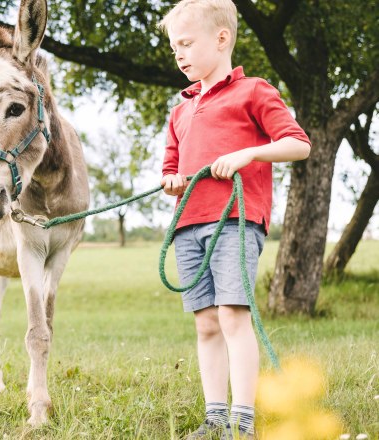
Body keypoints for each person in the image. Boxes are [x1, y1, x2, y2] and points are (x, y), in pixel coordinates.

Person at [157, 1, 311, 438]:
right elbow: (172, 166)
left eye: (186, 43)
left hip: (236, 221)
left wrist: (249, 153)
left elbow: (299, 144)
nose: (180, 54)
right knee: (206, 323)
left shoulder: (255, 91)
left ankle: (242, 422)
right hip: (187, 225)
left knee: (232, 316)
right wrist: (172, 181)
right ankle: (215, 418)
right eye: (174, 49)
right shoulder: (181, 109)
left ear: (222, 39)